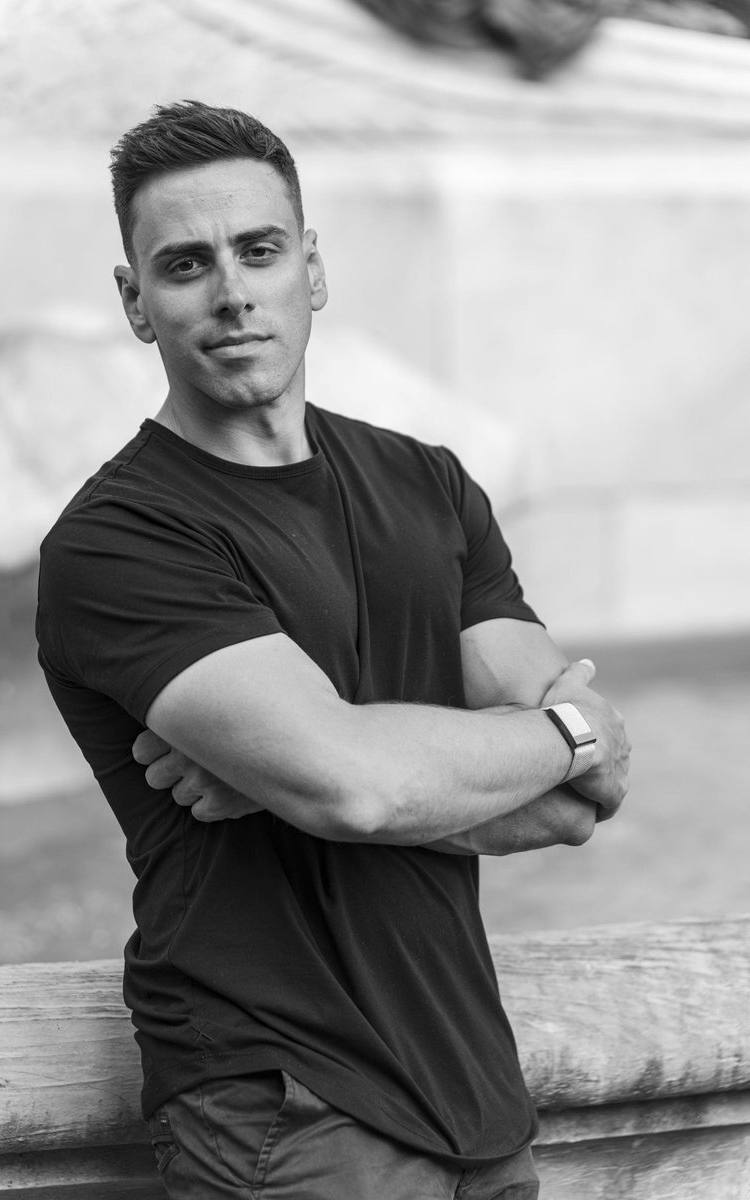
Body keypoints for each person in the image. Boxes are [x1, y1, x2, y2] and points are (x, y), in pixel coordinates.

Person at [36, 100, 630, 1199]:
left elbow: (582, 796)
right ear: (134, 301)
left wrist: (296, 779)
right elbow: (358, 790)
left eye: (258, 251)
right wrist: (544, 734)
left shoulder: (427, 483)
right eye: (184, 264)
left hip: (473, 1093)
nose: (230, 292)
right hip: (287, 1107)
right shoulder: (120, 539)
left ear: (310, 268)